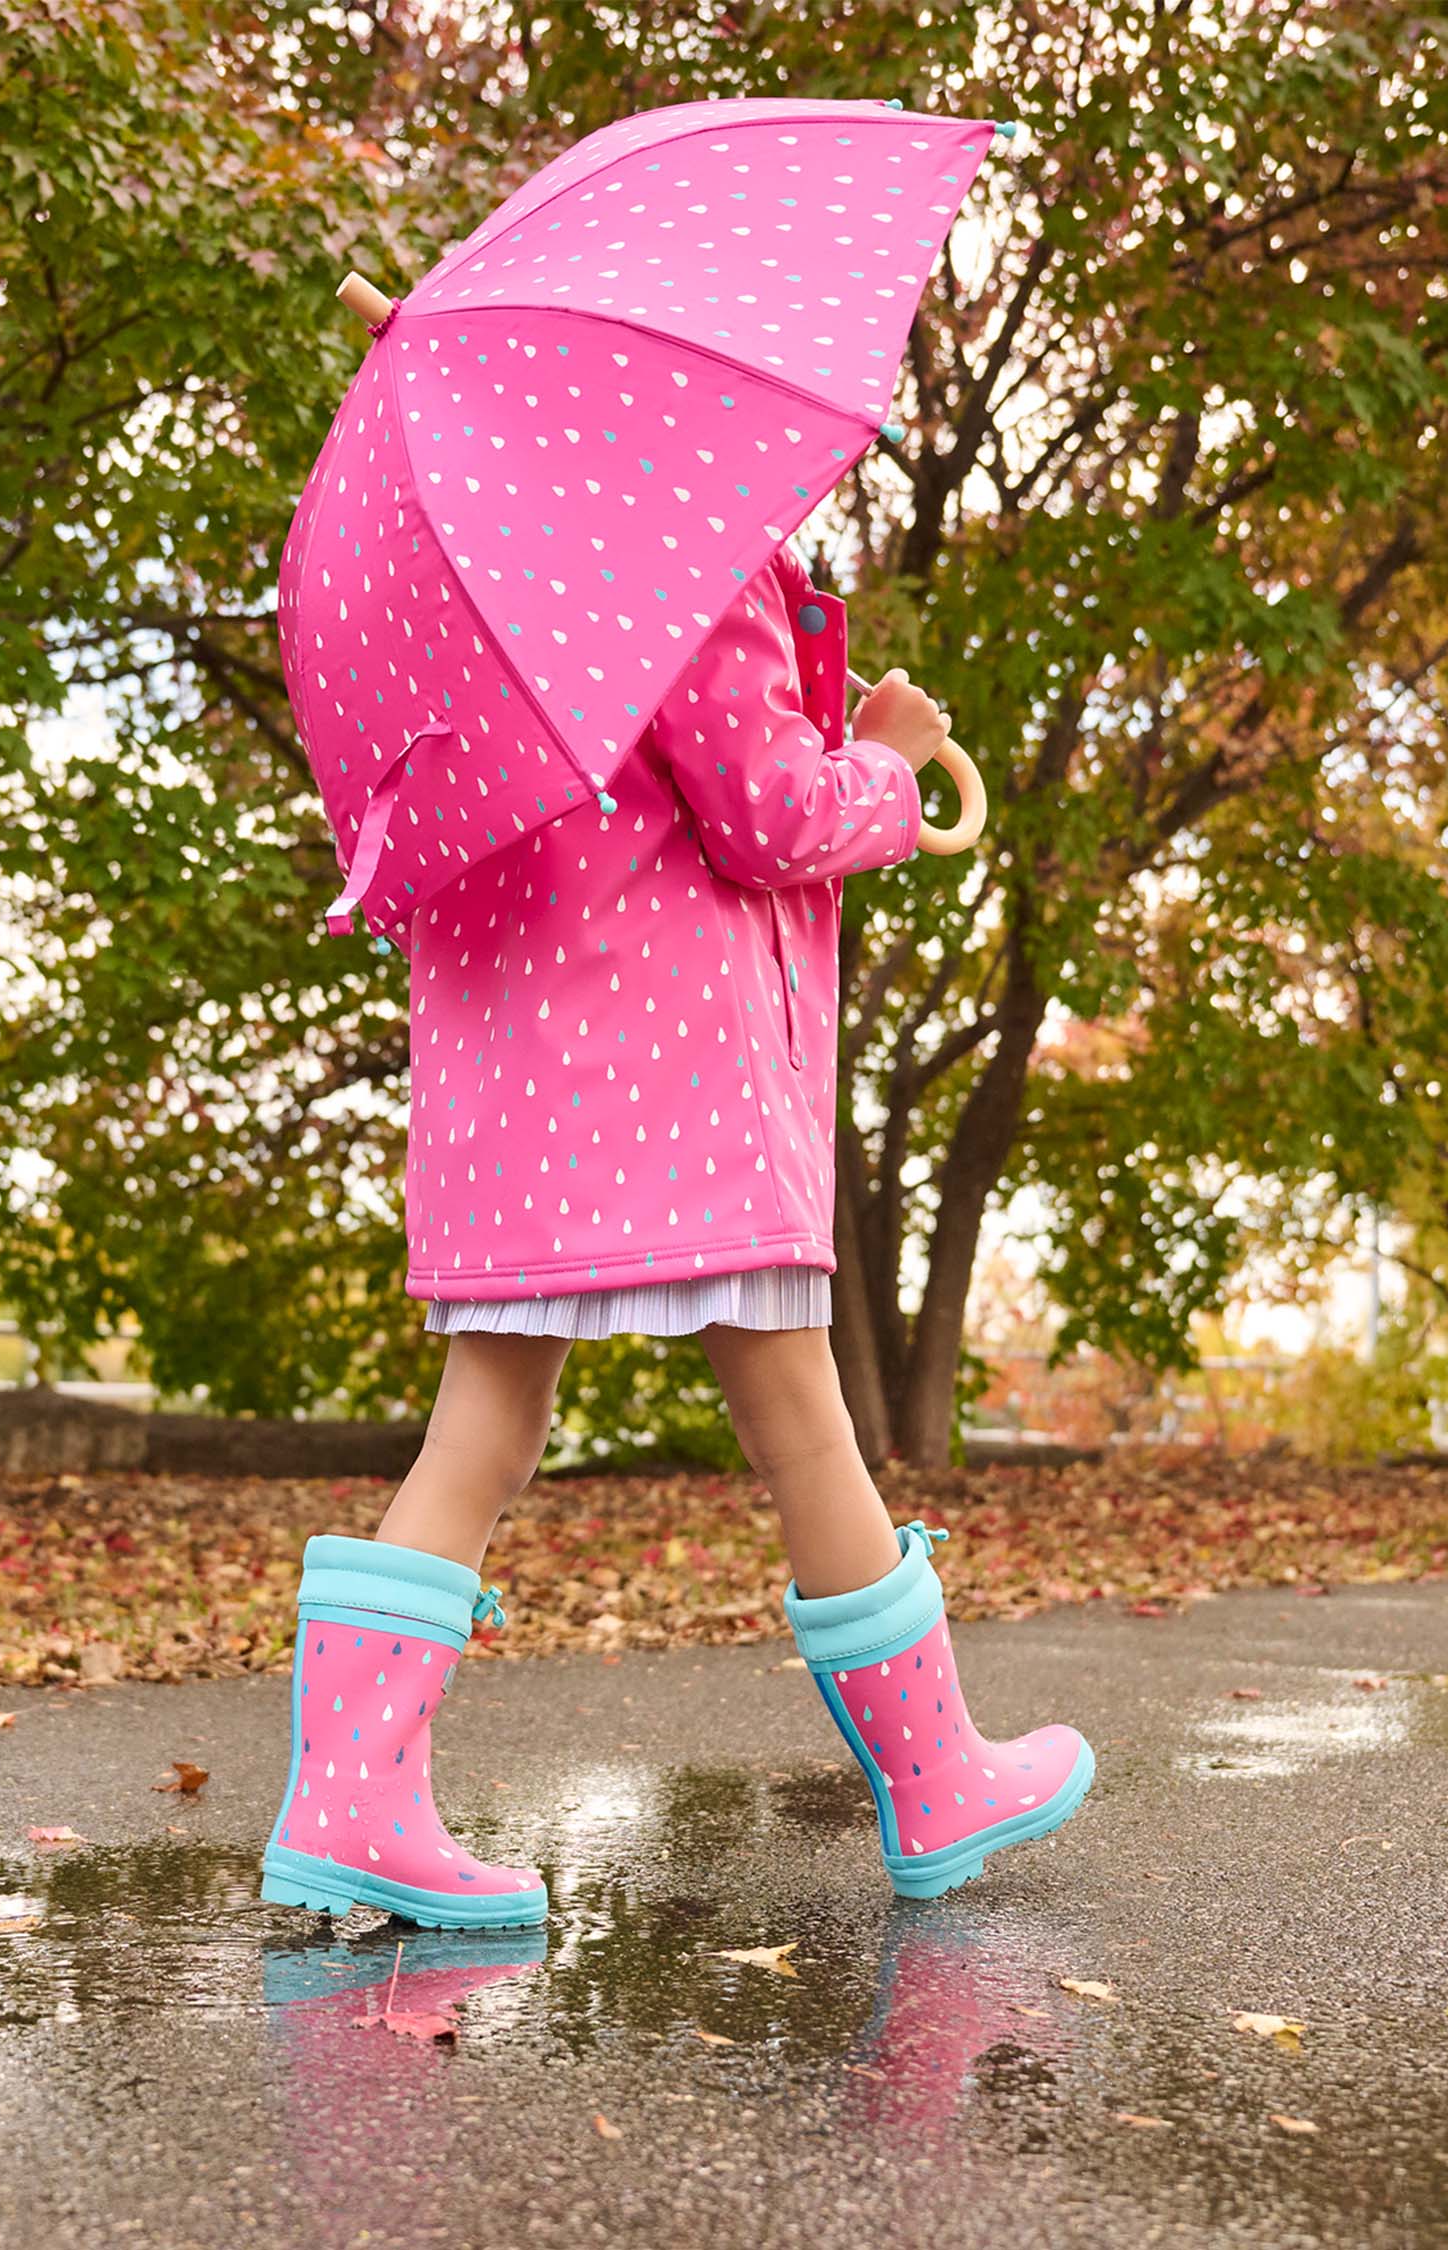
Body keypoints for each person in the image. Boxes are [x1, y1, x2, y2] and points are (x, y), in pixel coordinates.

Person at [259, 540, 1093, 1928]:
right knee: (803, 1421)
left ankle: (350, 1804)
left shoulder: (480, 576)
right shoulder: (673, 552)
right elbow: (762, 811)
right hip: (676, 1068)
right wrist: (883, 765)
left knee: (482, 1430)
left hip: (515, 1063)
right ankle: (938, 1774)